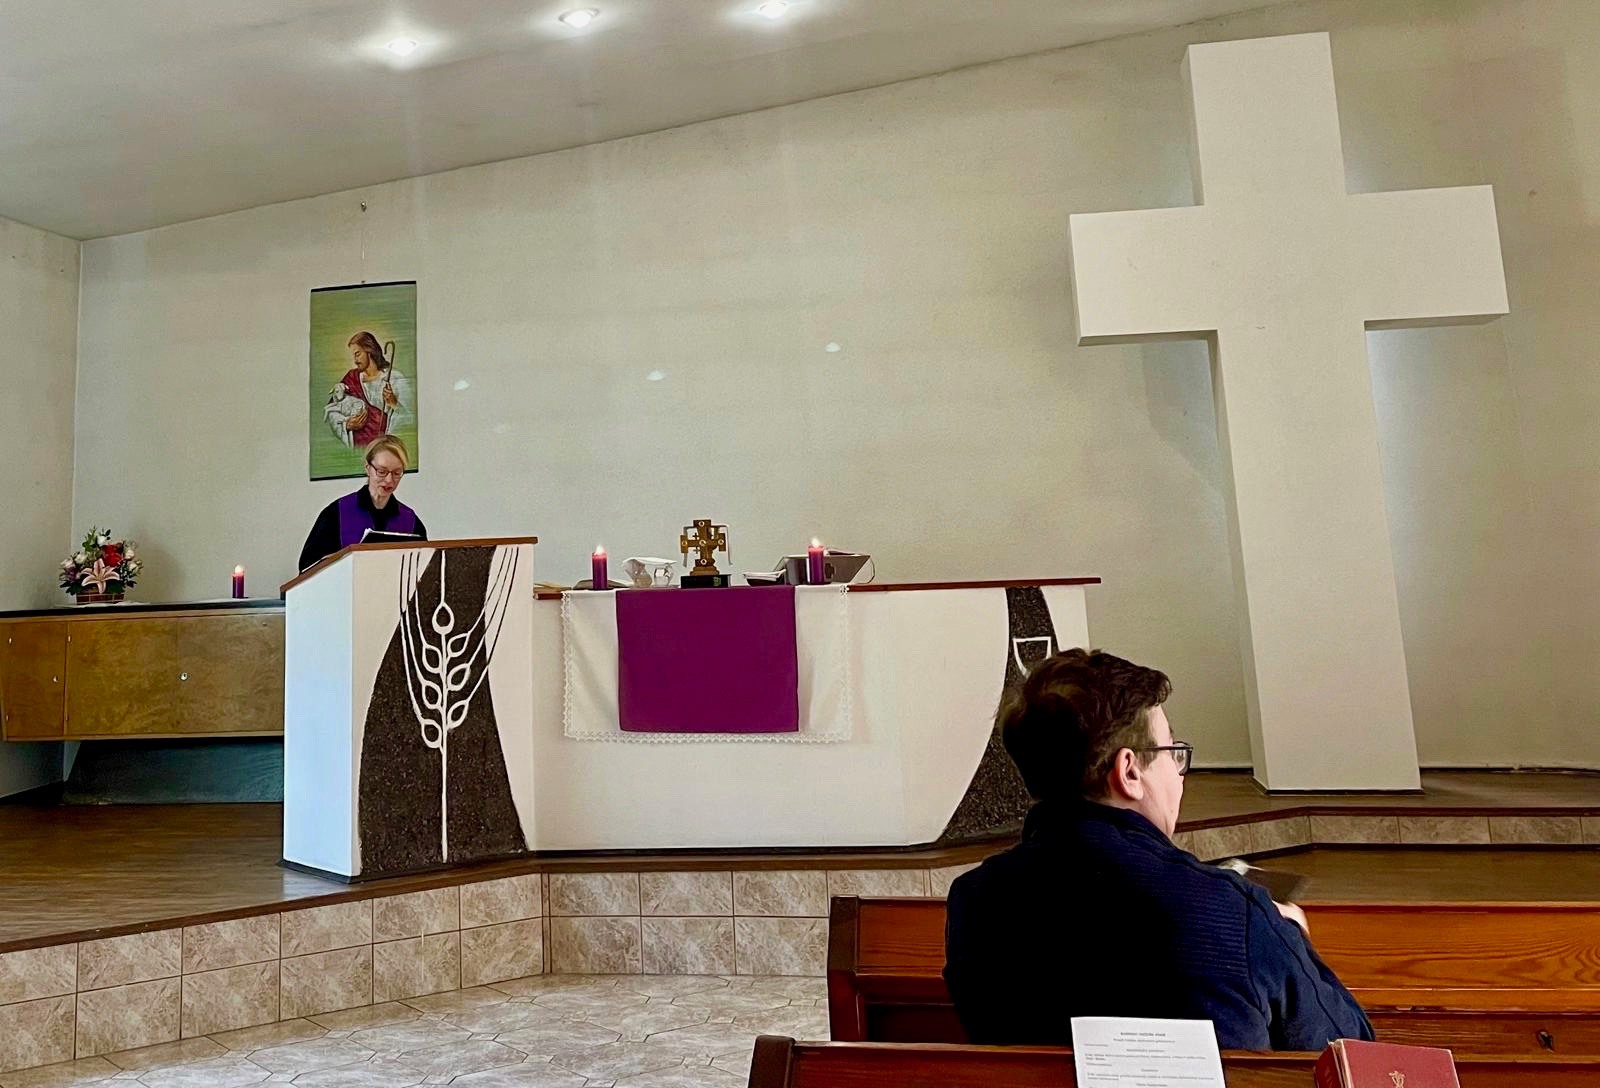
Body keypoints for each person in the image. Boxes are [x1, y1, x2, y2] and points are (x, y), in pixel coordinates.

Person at [943, 648, 1373, 1052]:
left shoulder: (975, 901)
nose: (1180, 773)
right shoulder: (1233, 911)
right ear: (1129, 772)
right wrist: (1293, 939)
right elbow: (1349, 1048)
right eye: (1172, 752)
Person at [298, 435, 428, 571]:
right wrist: (344, 560)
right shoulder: (336, 513)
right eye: (382, 471)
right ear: (368, 468)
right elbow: (307, 566)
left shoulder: (411, 520)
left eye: (397, 473)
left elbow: (423, 569)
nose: (389, 480)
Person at [336, 331, 415, 448]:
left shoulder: (394, 378)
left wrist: (394, 404)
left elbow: (411, 419)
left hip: (383, 447)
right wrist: (346, 424)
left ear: (369, 351)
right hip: (358, 447)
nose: (355, 361)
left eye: (357, 354)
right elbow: (332, 410)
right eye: (353, 356)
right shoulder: (351, 378)